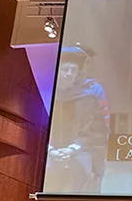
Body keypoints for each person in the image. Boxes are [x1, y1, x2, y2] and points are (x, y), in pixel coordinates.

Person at [47, 44, 110, 193]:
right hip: (49, 153)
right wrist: (50, 150)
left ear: (78, 74)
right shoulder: (46, 96)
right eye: (64, 69)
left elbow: (96, 130)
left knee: (77, 177)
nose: (68, 74)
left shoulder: (88, 97)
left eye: (73, 70)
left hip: (81, 151)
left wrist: (72, 149)